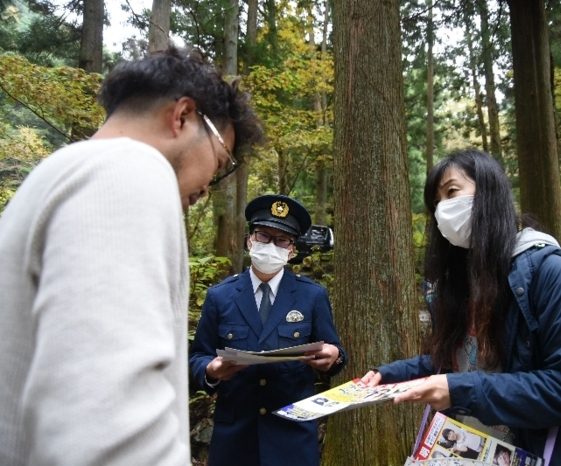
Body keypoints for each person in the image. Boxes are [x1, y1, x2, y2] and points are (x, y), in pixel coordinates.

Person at [0, 45, 263, 465]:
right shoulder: (127, 172)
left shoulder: (64, 173)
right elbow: (105, 423)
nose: (209, 185)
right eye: (221, 160)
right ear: (181, 117)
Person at [361, 150, 561, 465]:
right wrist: (389, 375)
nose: (443, 208)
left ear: (489, 190)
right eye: (436, 203)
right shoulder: (460, 285)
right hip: (471, 449)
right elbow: (462, 360)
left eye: (452, 191)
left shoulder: (551, 275)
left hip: (540, 451)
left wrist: (460, 389)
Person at [189, 194, 347, 466]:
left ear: (292, 250)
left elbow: (335, 354)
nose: (271, 245)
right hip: (235, 439)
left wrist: (334, 357)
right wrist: (211, 371)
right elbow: (196, 359)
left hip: (292, 438)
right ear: (250, 240)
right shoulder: (220, 296)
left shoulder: (312, 296)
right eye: (263, 236)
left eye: (281, 240)